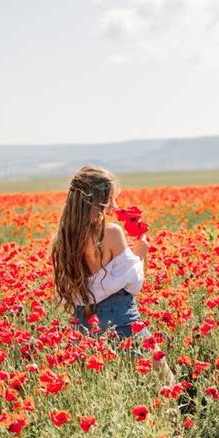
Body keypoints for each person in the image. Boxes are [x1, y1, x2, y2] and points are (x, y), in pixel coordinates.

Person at [50, 164, 175, 387]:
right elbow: (133, 283)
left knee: (107, 389)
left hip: (84, 325)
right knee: (166, 385)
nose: (114, 206)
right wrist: (140, 253)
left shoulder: (64, 238)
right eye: (110, 199)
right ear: (97, 200)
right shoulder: (111, 232)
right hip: (122, 321)